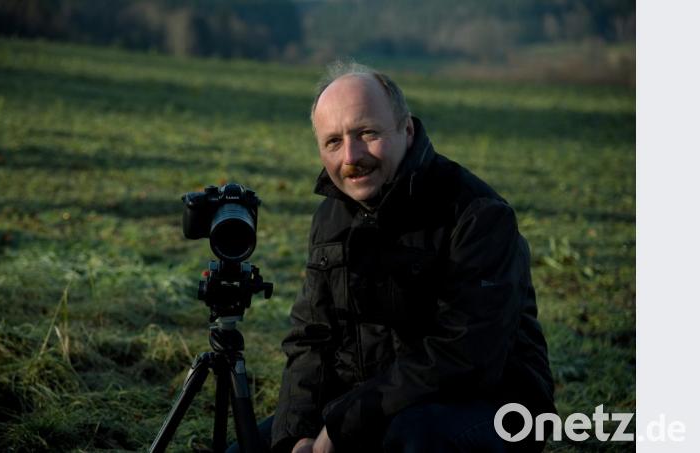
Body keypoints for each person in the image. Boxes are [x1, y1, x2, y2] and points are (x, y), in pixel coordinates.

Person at [235, 62, 556, 453]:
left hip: (494, 407)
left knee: (408, 438)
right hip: (373, 402)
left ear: (406, 129)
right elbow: (311, 337)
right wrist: (298, 433)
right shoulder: (331, 217)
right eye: (333, 142)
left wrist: (347, 422)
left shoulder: (477, 214)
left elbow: (467, 353)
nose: (351, 157)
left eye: (366, 133)